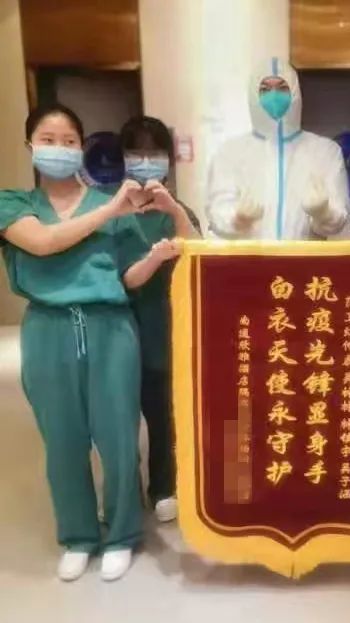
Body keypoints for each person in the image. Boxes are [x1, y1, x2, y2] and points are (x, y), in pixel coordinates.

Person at [0, 104, 181, 582]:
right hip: (48, 329)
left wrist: (156, 257)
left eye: (68, 140)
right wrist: (109, 210)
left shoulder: (111, 203)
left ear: (82, 148)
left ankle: (121, 533)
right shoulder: (14, 203)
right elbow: (42, 243)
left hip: (110, 328)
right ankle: (78, 535)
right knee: (62, 440)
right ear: (30, 146)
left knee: (118, 437)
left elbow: (128, 276)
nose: (59, 148)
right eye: (48, 139)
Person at [119, 115, 201, 522]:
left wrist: (174, 210)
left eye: (155, 152)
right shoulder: (113, 212)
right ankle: (123, 490)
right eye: (136, 152)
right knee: (120, 417)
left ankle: (165, 486)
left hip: (168, 328)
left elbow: (200, 253)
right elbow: (125, 278)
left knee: (166, 413)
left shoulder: (178, 210)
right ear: (123, 158)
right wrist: (154, 259)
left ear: (169, 159)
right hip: (123, 326)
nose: (146, 160)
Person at [206, 56, 349, 240]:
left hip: (304, 257)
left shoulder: (325, 152)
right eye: (265, 89)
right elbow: (217, 213)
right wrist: (237, 220)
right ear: (253, 96)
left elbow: (337, 221)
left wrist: (324, 213)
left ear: (295, 93)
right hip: (249, 258)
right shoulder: (230, 153)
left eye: (282, 88)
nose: (274, 96)